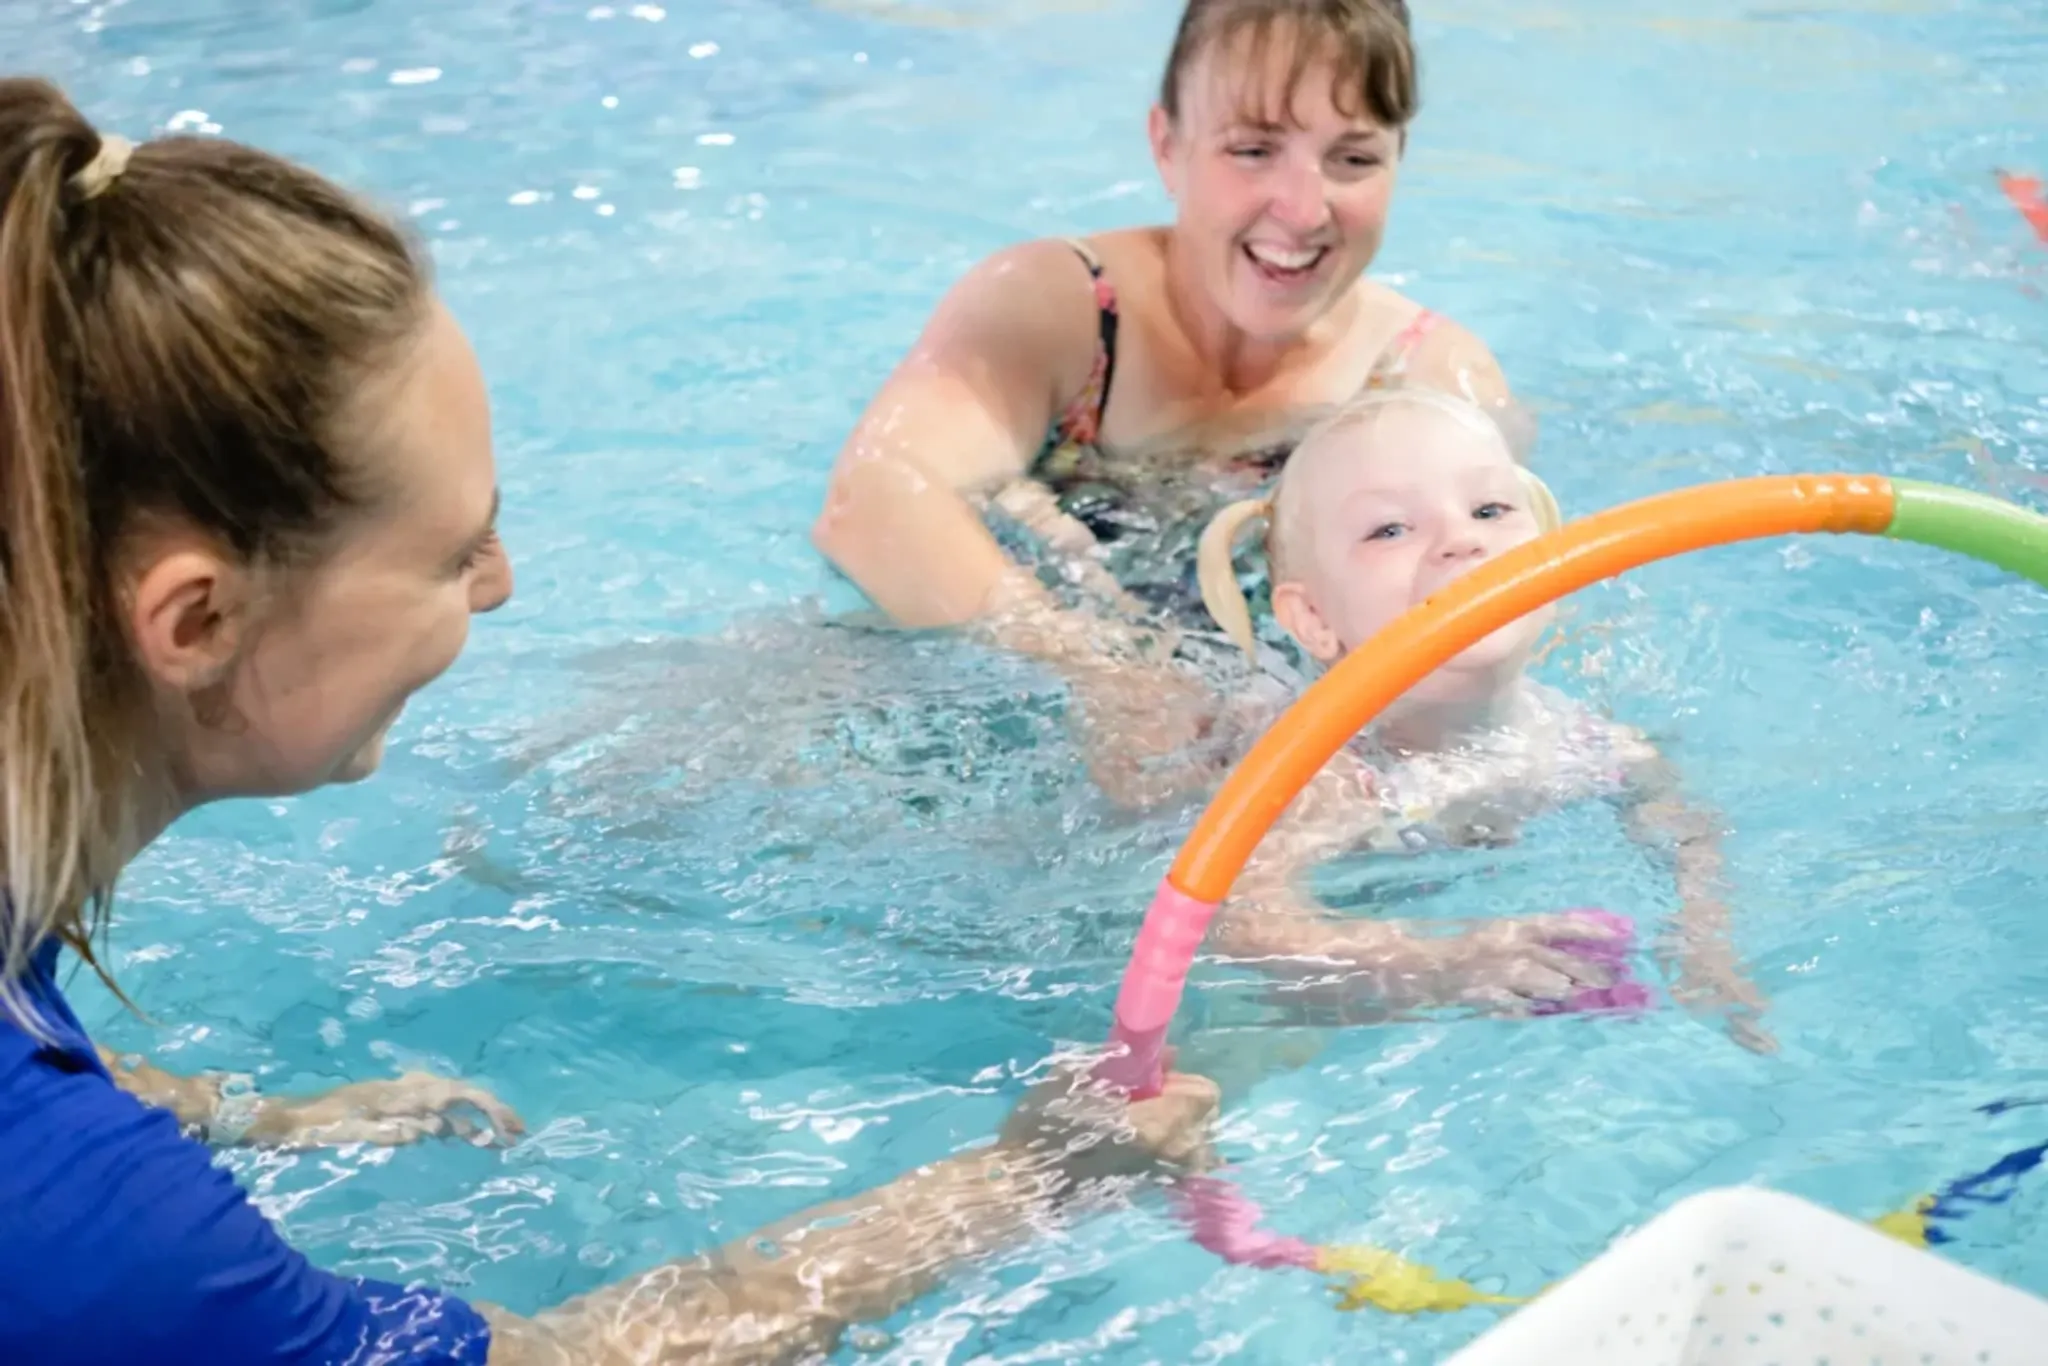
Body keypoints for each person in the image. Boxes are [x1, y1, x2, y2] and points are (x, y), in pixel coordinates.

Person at [0, 77, 1217, 1365]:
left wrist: (248, 1115)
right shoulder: (92, 1224)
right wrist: (1023, 1181)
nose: (499, 581)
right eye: (452, 550)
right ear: (194, 624)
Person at [811, 0, 1533, 748]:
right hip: (975, 686)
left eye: (1354, 159)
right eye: (1253, 150)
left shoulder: (1430, 382)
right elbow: (872, 500)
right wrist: (1106, 672)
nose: (1302, 209)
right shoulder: (1062, 313)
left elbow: (1487, 646)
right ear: (1167, 146)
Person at [1189, 387, 1774, 1049]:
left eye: (1490, 509)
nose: (1461, 541)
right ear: (1316, 620)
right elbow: (1246, 924)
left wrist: (1701, 938)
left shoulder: (1575, 736)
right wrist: (1439, 961)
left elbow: (1684, 828)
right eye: (1390, 529)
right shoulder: (1333, 777)